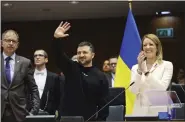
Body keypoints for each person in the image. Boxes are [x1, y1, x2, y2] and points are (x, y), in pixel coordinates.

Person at [53, 21, 109, 121]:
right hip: (68, 118)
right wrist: (57, 40)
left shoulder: (100, 76)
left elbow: (103, 103)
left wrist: (101, 120)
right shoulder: (71, 68)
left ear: (92, 55)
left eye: (85, 52)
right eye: (79, 53)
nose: (81, 55)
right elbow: (59, 57)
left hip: (90, 119)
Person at [1, 29, 40, 122]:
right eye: (7, 40)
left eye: (13, 41)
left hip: (19, 112)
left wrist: (34, 110)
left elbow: (33, 88)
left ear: (17, 45)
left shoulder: (25, 63)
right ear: (1, 43)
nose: (11, 43)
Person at [130, 34, 173, 116]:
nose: (147, 47)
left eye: (151, 44)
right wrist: (139, 70)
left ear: (157, 48)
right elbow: (133, 90)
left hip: (160, 111)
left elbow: (162, 88)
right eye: (144, 45)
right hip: (140, 111)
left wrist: (146, 72)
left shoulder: (167, 65)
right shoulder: (135, 67)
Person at [33, 49, 64, 115]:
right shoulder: (28, 75)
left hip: (49, 114)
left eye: (40, 55)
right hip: (30, 113)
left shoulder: (55, 77)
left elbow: (58, 97)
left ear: (46, 60)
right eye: (35, 56)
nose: (37, 57)